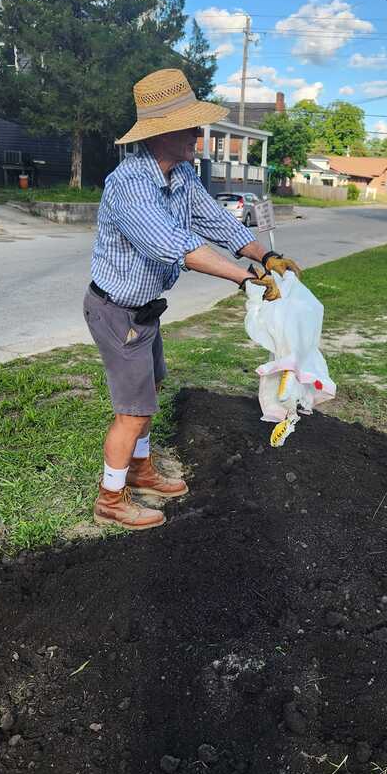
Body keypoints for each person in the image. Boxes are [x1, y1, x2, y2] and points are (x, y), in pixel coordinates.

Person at [84, 67, 301, 531]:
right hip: (115, 312)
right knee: (132, 411)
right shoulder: (130, 185)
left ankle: (140, 470)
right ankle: (110, 498)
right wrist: (245, 278)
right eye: (189, 127)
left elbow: (214, 221)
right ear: (160, 133)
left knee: (151, 391)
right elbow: (175, 245)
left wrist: (265, 255)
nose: (197, 135)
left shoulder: (181, 174)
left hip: (144, 312)